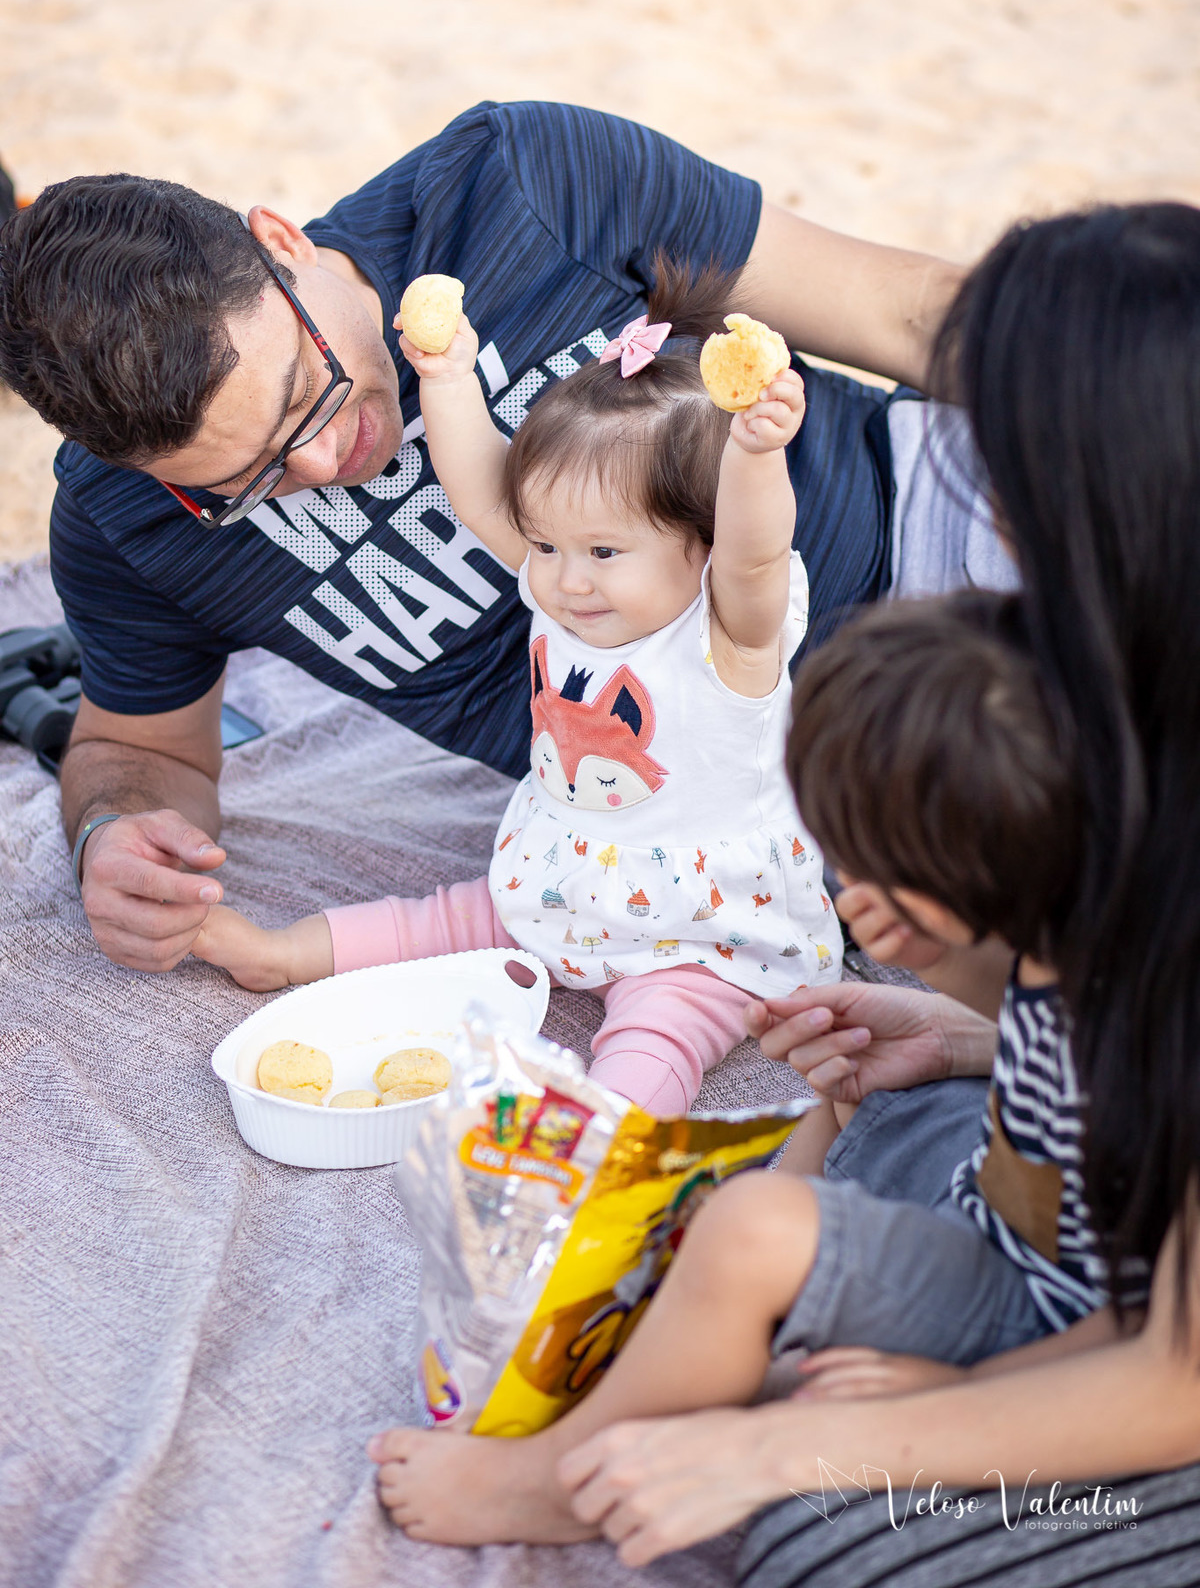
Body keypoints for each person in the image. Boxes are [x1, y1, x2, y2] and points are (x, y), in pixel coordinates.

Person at [508, 202, 1200, 1582]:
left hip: (1161, 1346)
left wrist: (792, 1454)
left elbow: (1179, 1366)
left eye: (993, 433)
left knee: (812, 1527)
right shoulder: (1112, 677)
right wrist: (971, 1035)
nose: (969, 471)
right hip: (1104, 1249)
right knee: (824, 1201)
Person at [0, 101, 1006, 976]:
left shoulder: (520, 180)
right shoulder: (119, 526)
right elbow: (139, 749)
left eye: (310, 394)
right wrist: (113, 835)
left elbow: (908, 313)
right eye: (246, 481)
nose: (323, 462)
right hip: (763, 786)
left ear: (282, 242)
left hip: (926, 520)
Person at [366, 588, 1140, 1543]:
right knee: (852, 1081)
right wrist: (951, 1026)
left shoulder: (1159, 1023)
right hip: (1021, 1219)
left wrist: (965, 1391)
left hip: (1065, 1333)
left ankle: (557, 1487)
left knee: (756, 1232)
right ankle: (722, 1321)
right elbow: (1053, 1045)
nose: (849, 899)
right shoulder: (1084, 934)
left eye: (862, 874)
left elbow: (1152, 1340)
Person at [192, 259, 842, 1115]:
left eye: (604, 553)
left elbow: (756, 553)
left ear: (703, 540)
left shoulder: (731, 637)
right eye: (548, 546)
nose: (567, 581)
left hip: (697, 929)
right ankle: (283, 953)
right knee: (446, 919)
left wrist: (756, 455)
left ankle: (601, 1129)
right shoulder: (562, 586)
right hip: (557, 882)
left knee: (661, 1029)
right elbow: (485, 495)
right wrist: (450, 376)